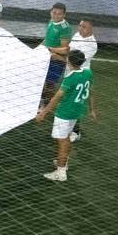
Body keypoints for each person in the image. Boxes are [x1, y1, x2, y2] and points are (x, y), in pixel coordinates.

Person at [35, 50, 95, 182]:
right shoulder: (87, 73)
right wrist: (92, 109)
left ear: (69, 61)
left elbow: (56, 97)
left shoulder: (70, 78)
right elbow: (90, 91)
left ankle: (61, 172)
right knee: (65, 138)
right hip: (76, 112)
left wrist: (43, 113)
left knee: (62, 140)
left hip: (64, 113)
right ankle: (62, 163)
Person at [39, 3, 72, 105]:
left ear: (64, 15)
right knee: (40, 80)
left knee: (50, 83)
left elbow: (65, 49)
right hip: (47, 55)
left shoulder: (64, 28)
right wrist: (40, 47)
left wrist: (49, 49)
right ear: (50, 12)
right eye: (54, 13)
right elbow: (47, 39)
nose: (56, 15)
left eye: (59, 14)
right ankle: (40, 101)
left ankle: (46, 104)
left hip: (57, 60)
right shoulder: (51, 21)